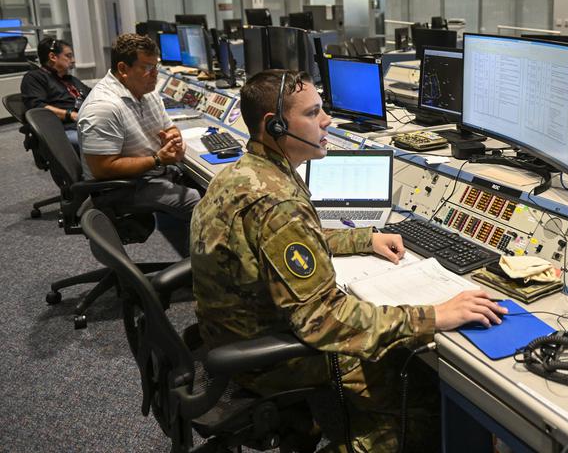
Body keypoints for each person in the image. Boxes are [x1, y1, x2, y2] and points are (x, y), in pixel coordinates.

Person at [191, 69, 506, 452]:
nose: (326, 121)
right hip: (270, 359)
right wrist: (435, 315)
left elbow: (284, 243)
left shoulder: (249, 173)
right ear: (273, 125)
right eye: (312, 113)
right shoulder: (279, 203)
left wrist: (363, 239)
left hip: (235, 336)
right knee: (420, 383)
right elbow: (323, 321)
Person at [77, 33, 200, 255]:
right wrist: (157, 159)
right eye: (147, 68)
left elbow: (168, 125)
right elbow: (103, 168)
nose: (155, 75)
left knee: (207, 184)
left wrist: (173, 137)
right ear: (123, 69)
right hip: (119, 187)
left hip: (151, 173)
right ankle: (206, 273)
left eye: (156, 67)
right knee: (196, 200)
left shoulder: (146, 90)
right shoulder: (103, 108)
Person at [20, 37, 90, 149]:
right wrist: (70, 115)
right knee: (100, 143)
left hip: (85, 124)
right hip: (62, 130)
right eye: (68, 56)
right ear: (52, 57)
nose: (73, 60)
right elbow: (38, 108)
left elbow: (92, 94)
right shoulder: (34, 78)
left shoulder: (69, 79)